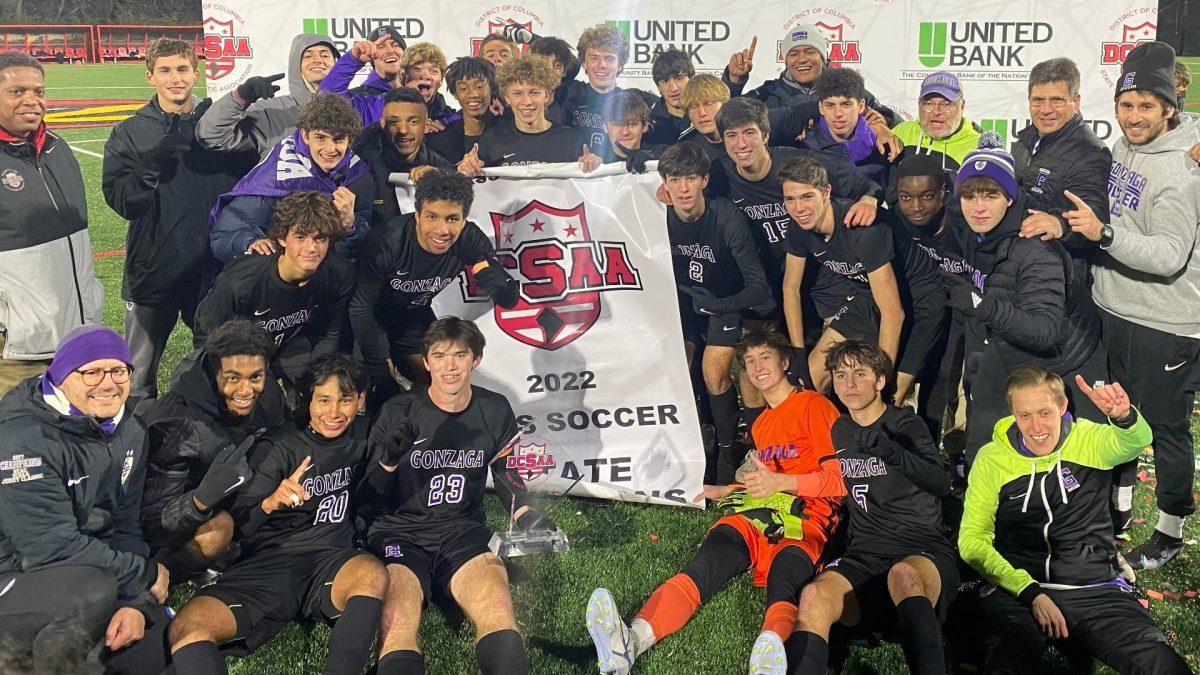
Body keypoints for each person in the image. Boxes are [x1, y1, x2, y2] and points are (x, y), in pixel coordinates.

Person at [586, 328, 844, 675]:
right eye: (749, 362)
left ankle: (771, 661)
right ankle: (630, 643)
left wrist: (782, 482)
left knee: (785, 578)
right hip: (758, 510)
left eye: (765, 357)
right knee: (708, 562)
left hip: (809, 515)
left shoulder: (815, 405)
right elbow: (762, 484)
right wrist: (727, 491)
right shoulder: (762, 424)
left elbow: (841, 479)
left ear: (785, 361)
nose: (757, 367)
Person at [955, 366, 1190, 674]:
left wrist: (1124, 418)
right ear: (1012, 413)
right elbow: (972, 540)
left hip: (1094, 586)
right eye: (1024, 415)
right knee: (1006, 662)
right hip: (1021, 587)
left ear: (1063, 406)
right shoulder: (992, 458)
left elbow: (1135, 441)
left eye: (1044, 413)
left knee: (1160, 663)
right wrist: (1028, 591)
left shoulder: (1086, 439)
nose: (1036, 426)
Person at [1066, 41, 1200, 568]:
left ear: (1169, 108)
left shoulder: (1183, 171)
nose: (1134, 116)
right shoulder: (1126, 147)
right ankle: (1114, 508)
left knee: (1165, 427)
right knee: (1114, 415)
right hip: (1114, 307)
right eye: (1127, 105)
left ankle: (1170, 527)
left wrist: (1104, 235)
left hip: (1165, 320)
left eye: (1147, 106)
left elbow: (1168, 256)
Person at [168, 354, 387, 675]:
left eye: (345, 400)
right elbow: (237, 529)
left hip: (330, 560)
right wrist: (270, 503)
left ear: (361, 400)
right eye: (323, 400)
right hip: (267, 567)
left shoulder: (366, 436)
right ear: (307, 400)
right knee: (189, 627)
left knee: (372, 575)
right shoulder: (277, 447)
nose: (334, 412)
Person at [368, 317, 554, 675]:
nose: (449, 366)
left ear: (476, 359)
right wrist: (388, 461)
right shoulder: (399, 411)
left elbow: (505, 471)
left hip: (462, 530)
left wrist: (526, 513)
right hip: (400, 532)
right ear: (425, 361)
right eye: (439, 356)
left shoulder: (495, 408)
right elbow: (368, 494)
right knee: (397, 621)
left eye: (459, 355)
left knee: (499, 608)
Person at [0, 326, 170, 673]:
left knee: (157, 652)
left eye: (118, 370)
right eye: (91, 372)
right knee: (91, 593)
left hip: (87, 572)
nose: (108, 383)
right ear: (61, 377)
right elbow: (48, 548)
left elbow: (126, 526)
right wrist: (143, 573)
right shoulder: (22, 439)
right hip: (15, 573)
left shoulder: (131, 430)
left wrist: (135, 602)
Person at [787, 340, 954, 675]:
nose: (849, 383)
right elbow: (835, 483)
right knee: (813, 597)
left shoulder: (906, 425)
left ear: (880, 382)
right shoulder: (840, 430)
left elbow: (941, 483)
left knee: (904, 576)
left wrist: (894, 453)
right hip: (865, 552)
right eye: (840, 375)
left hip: (920, 548)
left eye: (860, 374)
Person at [103, 38, 255, 399]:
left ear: (196, 73)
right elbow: (123, 201)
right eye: (166, 70)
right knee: (138, 376)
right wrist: (150, 166)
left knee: (223, 369)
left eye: (183, 69)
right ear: (149, 76)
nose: (175, 78)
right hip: (154, 270)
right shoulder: (130, 132)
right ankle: (135, 449)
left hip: (214, 268)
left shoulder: (219, 123)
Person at [943, 134, 1106, 464]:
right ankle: (979, 501)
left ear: (1009, 197)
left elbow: (1046, 331)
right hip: (1009, 346)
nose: (978, 206)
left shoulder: (1034, 247)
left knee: (1058, 458)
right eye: (969, 195)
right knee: (985, 439)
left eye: (990, 195)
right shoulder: (972, 226)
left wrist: (980, 305)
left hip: (1062, 359)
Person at [779, 157, 943, 401]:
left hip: (921, 300)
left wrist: (881, 377)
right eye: (789, 199)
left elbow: (893, 314)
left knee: (889, 396)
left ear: (826, 193)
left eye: (806, 197)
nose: (798, 208)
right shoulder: (798, 226)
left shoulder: (861, 229)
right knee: (810, 379)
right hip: (870, 295)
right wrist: (799, 352)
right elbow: (790, 290)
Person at [137, 318, 285, 581]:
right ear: (212, 370)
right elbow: (152, 522)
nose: (246, 390)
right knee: (216, 535)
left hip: (238, 495)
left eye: (256, 377)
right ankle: (165, 572)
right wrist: (201, 500)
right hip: (187, 514)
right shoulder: (176, 424)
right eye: (232, 378)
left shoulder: (267, 391)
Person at [659, 142, 773, 482]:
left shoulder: (726, 216)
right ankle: (706, 440)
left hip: (728, 302)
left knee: (717, 371)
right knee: (678, 365)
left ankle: (739, 448)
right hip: (687, 306)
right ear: (664, 183)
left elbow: (758, 286)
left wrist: (719, 305)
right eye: (675, 179)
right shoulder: (656, 213)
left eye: (691, 178)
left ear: (705, 180)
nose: (683, 188)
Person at [350, 169, 516, 397]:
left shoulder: (469, 239)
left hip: (413, 313)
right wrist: (379, 362)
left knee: (438, 381)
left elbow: (509, 300)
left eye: (452, 219)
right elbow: (360, 308)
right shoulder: (387, 241)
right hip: (371, 316)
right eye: (432, 217)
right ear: (417, 214)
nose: (442, 230)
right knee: (379, 387)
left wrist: (499, 282)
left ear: (463, 220)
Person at [0, 51, 103, 397]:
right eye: (17, 92)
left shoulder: (59, 149)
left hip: (74, 338)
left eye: (38, 92)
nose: (31, 100)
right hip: (16, 351)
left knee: (68, 441)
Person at [196, 191, 356, 391]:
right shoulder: (241, 280)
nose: (311, 248)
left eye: (320, 238)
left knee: (328, 387)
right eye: (300, 237)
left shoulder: (338, 273)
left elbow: (328, 334)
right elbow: (207, 337)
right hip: (241, 353)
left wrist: (315, 381)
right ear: (281, 238)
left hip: (292, 348)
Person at [209, 93, 373, 263]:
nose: (330, 149)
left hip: (330, 280)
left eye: (338, 139)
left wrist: (350, 226)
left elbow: (359, 252)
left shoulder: (358, 175)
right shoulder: (277, 173)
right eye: (320, 138)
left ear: (350, 139)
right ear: (305, 135)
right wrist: (250, 242)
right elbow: (225, 232)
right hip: (279, 278)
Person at [1014, 58, 1113, 283]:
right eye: (1038, 100)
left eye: (1057, 100)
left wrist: (1060, 224)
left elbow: (1094, 215)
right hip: (1025, 265)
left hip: (1061, 277)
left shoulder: (1090, 153)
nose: (1046, 110)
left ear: (1075, 102)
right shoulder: (1026, 140)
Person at [195, 32, 339, 157]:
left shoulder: (355, 108)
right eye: (308, 56)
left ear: (337, 63)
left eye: (325, 55)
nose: (318, 60)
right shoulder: (272, 112)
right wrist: (241, 96)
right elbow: (210, 136)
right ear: (296, 65)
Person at [723, 25, 896, 127]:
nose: (802, 59)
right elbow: (728, 116)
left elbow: (896, 122)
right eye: (794, 53)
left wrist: (885, 121)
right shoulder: (769, 93)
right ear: (785, 60)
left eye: (810, 51)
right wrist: (734, 80)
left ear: (823, 57)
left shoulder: (848, 90)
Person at [458, 54, 589, 173]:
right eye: (517, 93)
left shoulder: (571, 140)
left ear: (547, 96)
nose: (526, 102)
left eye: (534, 92)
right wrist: (465, 169)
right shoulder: (491, 141)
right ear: (507, 98)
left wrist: (593, 167)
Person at [353, 87, 453, 226]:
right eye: (394, 122)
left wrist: (442, 182)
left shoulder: (440, 167)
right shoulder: (360, 166)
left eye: (413, 122)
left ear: (426, 125)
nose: (403, 130)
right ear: (383, 124)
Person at [558, 24, 657, 155]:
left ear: (620, 64)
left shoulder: (636, 99)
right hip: (576, 173)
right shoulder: (567, 92)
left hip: (621, 174)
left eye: (609, 58)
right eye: (594, 58)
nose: (602, 65)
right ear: (583, 62)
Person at [676, 74, 817, 161]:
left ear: (725, 104)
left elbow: (813, 108)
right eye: (693, 107)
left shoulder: (757, 123)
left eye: (709, 104)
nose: (702, 113)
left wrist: (814, 128)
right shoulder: (687, 146)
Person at [804, 67, 895, 186]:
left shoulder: (885, 147)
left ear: (861, 106)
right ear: (821, 108)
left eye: (846, 104)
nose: (838, 113)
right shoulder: (804, 146)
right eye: (830, 105)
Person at [890, 71, 980, 166]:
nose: (936, 111)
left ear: (962, 106)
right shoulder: (900, 133)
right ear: (919, 104)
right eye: (928, 103)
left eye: (946, 104)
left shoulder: (977, 149)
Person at [428, 56, 497, 163]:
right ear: (455, 94)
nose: (473, 94)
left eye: (479, 86)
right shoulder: (440, 141)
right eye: (463, 88)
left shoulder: (508, 132)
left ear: (492, 88)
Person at [643, 48, 695, 146]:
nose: (673, 88)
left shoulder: (705, 115)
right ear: (658, 87)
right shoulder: (649, 124)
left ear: (691, 79)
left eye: (679, 78)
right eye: (665, 81)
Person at [529, 35, 579, 125]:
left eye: (557, 66)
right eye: (542, 64)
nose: (550, 71)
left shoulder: (570, 106)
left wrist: (531, 38)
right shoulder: (514, 104)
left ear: (564, 72)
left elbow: (576, 64)